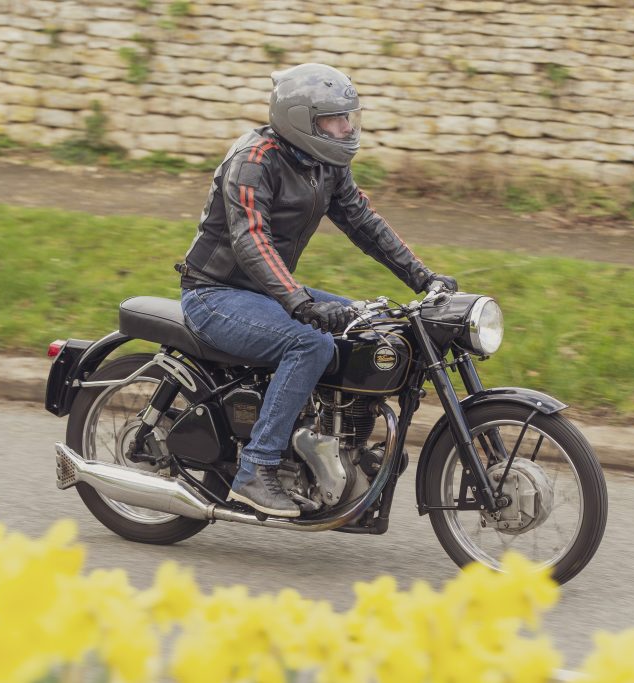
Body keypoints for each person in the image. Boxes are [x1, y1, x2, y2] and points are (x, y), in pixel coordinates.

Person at [177, 63, 457, 517]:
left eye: (349, 117)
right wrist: (299, 303)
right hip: (215, 294)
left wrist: (424, 279)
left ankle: (344, 449)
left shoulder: (327, 165)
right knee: (309, 343)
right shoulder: (253, 161)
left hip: (269, 290)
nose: (347, 128)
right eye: (335, 119)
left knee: (373, 332)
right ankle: (256, 467)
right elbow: (252, 240)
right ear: (300, 120)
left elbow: (365, 225)